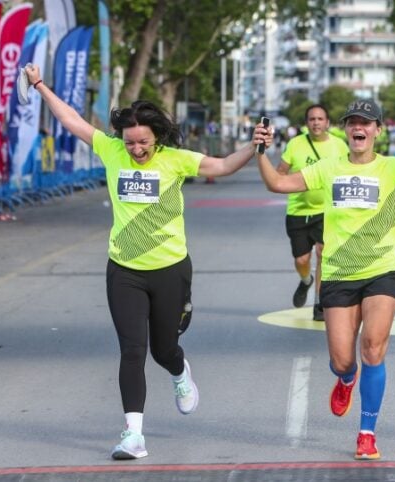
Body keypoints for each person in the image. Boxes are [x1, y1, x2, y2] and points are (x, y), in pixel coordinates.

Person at [22, 64, 271, 460]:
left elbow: (221, 166)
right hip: (124, 269)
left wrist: (255, 146)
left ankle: (179, 372)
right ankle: (133, 435)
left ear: (157, 137)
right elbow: (70, 119)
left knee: (163, 349)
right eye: (131, 142)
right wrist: (39, 85)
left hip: (170, 268)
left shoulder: (175, 160)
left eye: (143, 142)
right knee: (132, 350)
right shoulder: (111, 149)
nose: (137, 149)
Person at [257, 98, 395, 460]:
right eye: (353, 122)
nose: (359, 127)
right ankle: (345, 379)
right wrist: (259, 151)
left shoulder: (394, 167)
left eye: (366, 122)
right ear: (346, 129)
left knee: (373, 347)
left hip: (381, 270)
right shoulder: (329, 168)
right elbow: (277, 184)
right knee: (343, 360)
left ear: (377, 130)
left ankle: (367, 432)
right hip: (340, 273)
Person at [277, 104, 349, 321]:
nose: (316, 123)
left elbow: (349, 170)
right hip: (298, 211)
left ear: (327, 122)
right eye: (312, 119)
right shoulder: (295, 144)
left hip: (326, 210)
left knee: (323, 253)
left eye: (320, 119)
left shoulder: (339, 145)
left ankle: (319, 302)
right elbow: (281, 172)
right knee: (301, 259)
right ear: (306, 123)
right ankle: (306, 279)